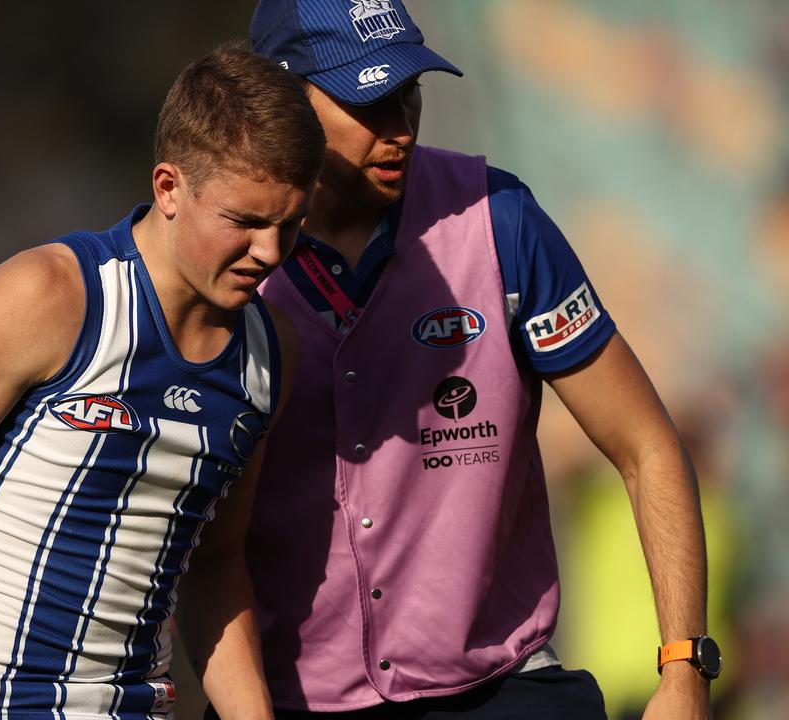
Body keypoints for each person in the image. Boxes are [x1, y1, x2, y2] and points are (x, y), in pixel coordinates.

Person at [240, 1, 715, 718]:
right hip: (288, 701)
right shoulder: (220, 251)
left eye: (409, 93)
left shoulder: (503, 220)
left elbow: (646, 445)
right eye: (368, 101)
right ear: (278, 101)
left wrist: (684, 670)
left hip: (503, 691)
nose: (400, 127)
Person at [0, 43, 325, 720]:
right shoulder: (49, 296)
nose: (270, 252)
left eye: (290, 224)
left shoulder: (271, 353)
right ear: (168, 188)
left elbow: (215, 564)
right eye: (244, 221)